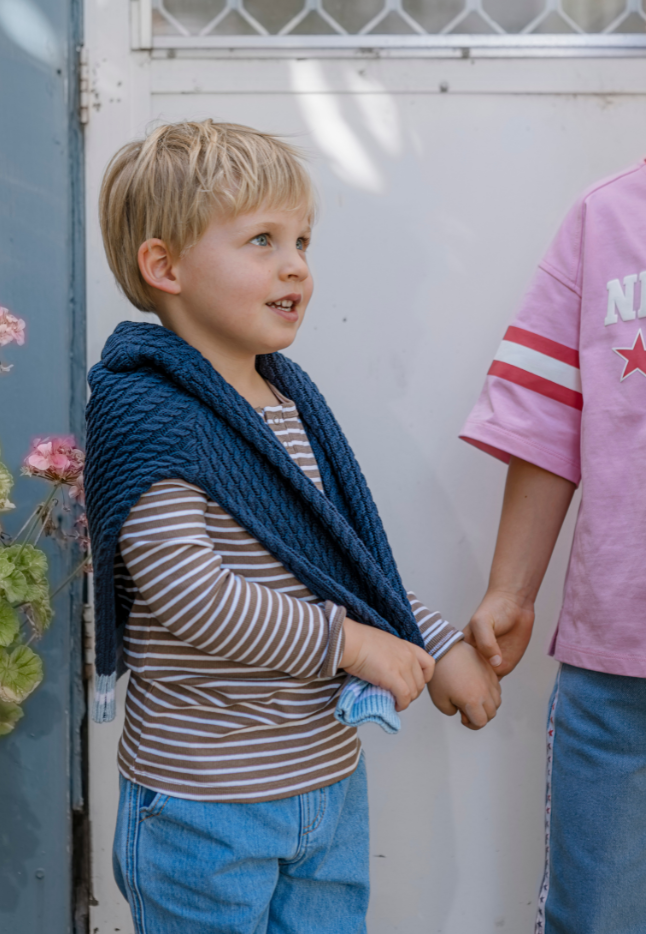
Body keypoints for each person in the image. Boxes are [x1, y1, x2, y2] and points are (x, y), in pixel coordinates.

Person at [84, 120, 500, 934]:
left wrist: (438, 642)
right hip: (207, 807)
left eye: (303, 239)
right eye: (262, 239)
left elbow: (343, 563)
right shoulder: (147, 412)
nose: (295, 264)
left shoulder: (289, 402)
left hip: (326, 788)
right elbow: (192, 596)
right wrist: (354, 645)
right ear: (164, 266)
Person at [461, 159, 646, 934]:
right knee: (593, 916)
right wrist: (512, 588)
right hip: (621, 671)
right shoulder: (608, 217)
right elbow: (546, 418)